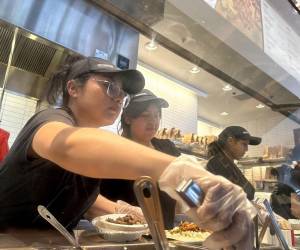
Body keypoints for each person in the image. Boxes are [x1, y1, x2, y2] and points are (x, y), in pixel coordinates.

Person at [0, 56, 253, 250]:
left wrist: (127, 212)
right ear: (73, 89)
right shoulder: (50, 120)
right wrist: (180, 172)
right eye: (109, 86)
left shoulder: (91, 143)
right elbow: (68, 145)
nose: (119, 97)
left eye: (122, 92)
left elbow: (87, 200)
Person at [100, 89, 180, 229]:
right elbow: (97, 196)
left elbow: (183, 184)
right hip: (125, 233)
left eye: (156, 116)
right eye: (145, 115)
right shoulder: (114, 150)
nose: (153, 121)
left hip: (166, 233)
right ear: (128, 118)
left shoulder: (167, 148)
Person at [207, 126, 261, 200]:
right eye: (244, 144)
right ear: (230, 141)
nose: (246, 149)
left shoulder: (226, 162)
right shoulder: (216, 165)